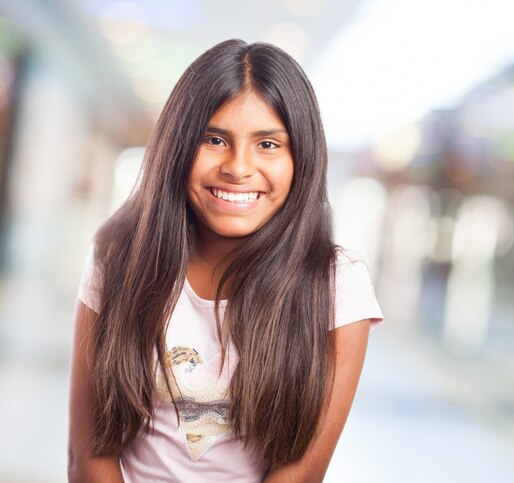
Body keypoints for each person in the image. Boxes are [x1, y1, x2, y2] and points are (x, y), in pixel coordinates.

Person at [68, 39, 383, 482]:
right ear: (178, 147)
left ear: (302, 158)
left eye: (268, 144)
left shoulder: (337, 283)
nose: (238, 167)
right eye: (214, 139)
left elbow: (302, 473)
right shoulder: (117, 259)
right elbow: (87, 456)